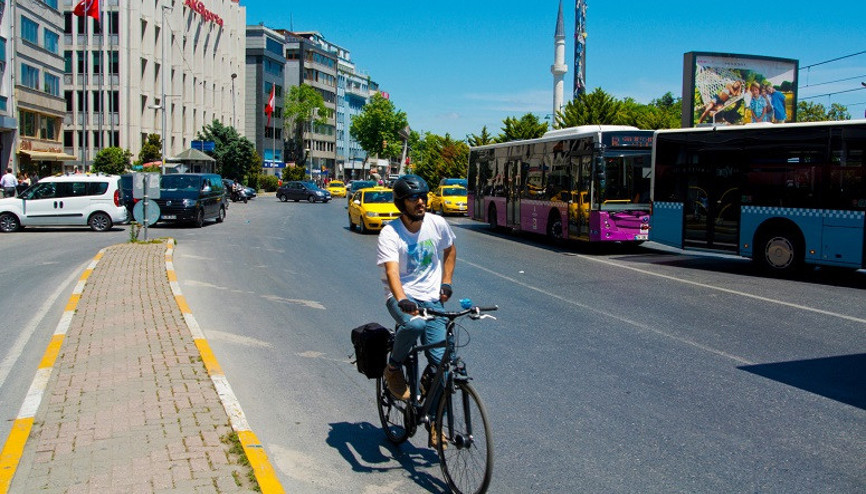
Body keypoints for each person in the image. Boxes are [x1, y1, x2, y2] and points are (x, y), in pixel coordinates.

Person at [376, 174, 456, 448]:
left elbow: (450, 249)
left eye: (423, 196)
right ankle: (393, 368)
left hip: (433, 301)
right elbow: (391, 271)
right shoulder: (390, 232)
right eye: (414, 198)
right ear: (401, 202)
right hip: (401, 299)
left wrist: (446, 281)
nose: (421, 202)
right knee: (415, 326)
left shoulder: (437, 224)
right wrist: (402, 299)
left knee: (442, 364)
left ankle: (435, 423)